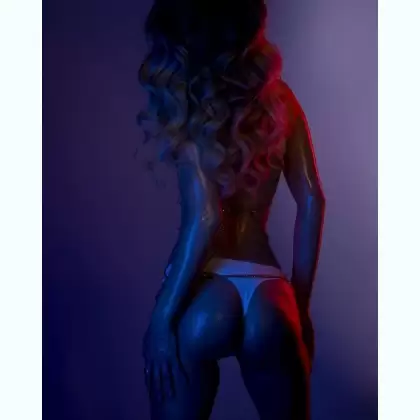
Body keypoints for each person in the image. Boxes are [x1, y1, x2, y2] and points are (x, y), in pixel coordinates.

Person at [138, 1, 325, 419]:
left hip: (204, 288)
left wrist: (162, 318)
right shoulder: (281, 99)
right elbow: (312, 200)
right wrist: (299, 307)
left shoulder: (192, 99)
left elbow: (204, 217)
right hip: (269, 295)